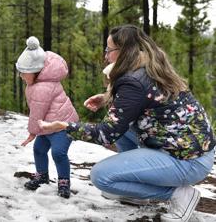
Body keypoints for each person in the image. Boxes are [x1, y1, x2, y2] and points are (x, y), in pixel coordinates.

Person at [38, 25, 215, 221]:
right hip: (194, 150)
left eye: (109, 50)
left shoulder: (134, 81)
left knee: (101, 177)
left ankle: (178, 195)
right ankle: (136, 192)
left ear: (124, 51)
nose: (106, 56)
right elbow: (146, 101)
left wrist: (64, 126)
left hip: (187, 161)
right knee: (125, 126)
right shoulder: (149, 64)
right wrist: (108, 98)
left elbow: (106, 134)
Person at [16, 36, 79, 199]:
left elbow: (37, 112)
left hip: (62, 126)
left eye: (24, 73)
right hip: (48, 125)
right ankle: (42, 175)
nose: (21, 76)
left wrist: (32, 132)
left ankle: (64, 182)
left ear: (35, 72)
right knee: (39, 149)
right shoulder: (37, 83)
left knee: (58, 153)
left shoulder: (42, 87)